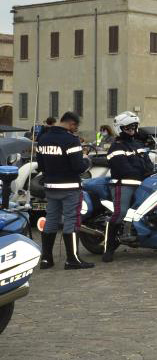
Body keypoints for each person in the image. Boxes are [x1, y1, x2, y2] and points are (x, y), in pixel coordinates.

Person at [36, 111, 93, 270]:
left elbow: (40, 166)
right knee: (71, 221)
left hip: (50, 186)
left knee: (51, 220)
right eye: (75, 127)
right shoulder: (71, 140)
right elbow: (78, 167)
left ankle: (46, 259)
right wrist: (86, 160)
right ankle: (72, 259)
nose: (75, 130)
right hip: (69, 187)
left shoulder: (43, 138)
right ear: (71, 124)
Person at [102, 111, 155, 262]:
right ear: (120, 128)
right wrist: (142, 174)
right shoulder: (116, 147)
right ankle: (108, 248)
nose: (132, 130)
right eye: (128, 127)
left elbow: (148, 163)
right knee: (120, 213)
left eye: (134, 127)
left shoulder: (138, 144)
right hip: (124, 184)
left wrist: (152, 171)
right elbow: (122, 168)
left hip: (142, 183)